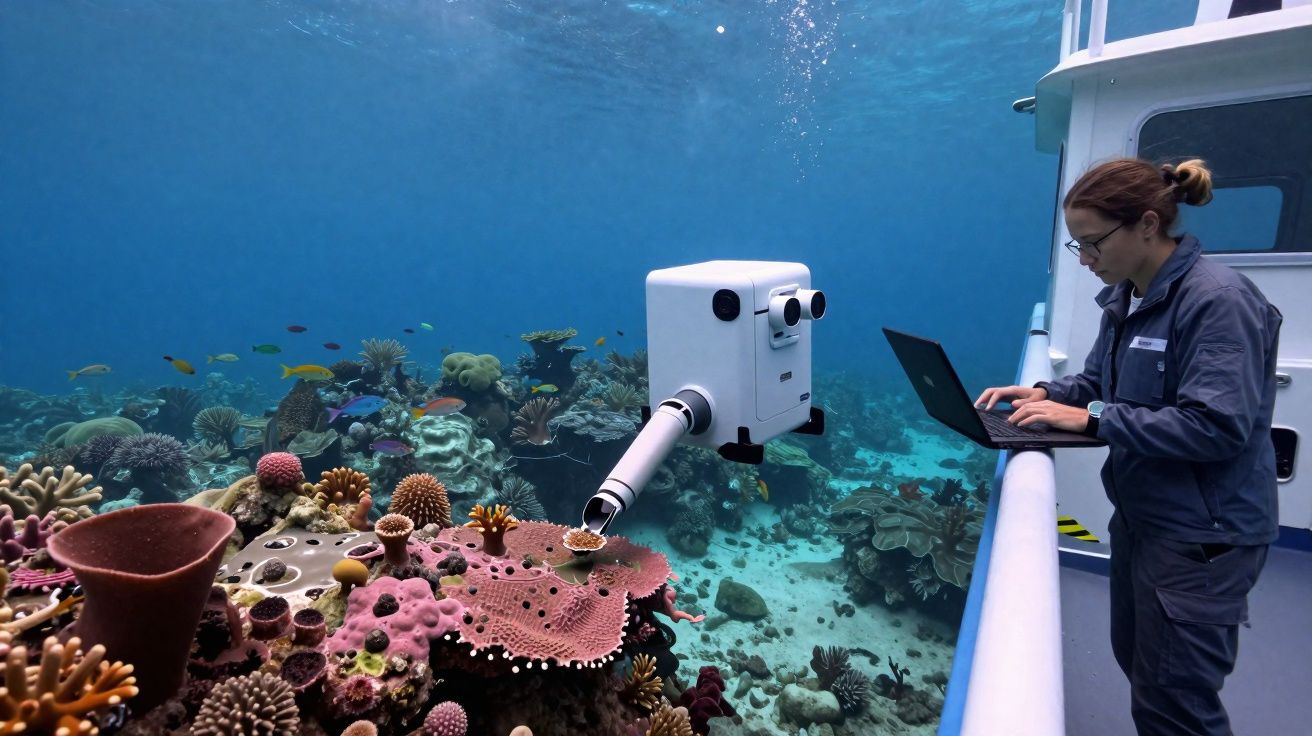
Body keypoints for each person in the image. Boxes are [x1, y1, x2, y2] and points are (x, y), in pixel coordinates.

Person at [975, 157, 1282, 736]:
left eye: (1092, 243)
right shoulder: (1129, 297)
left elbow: (1216, 426)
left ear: (1146, 223)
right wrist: (1043, 392)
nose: (1086, 260)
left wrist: (1088, 417)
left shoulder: (1218, 301)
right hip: (1143, 518)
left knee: (1175, 706)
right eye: (1077, 247)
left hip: (1202, 537)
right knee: (1142, 671)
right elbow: (1098, 387)